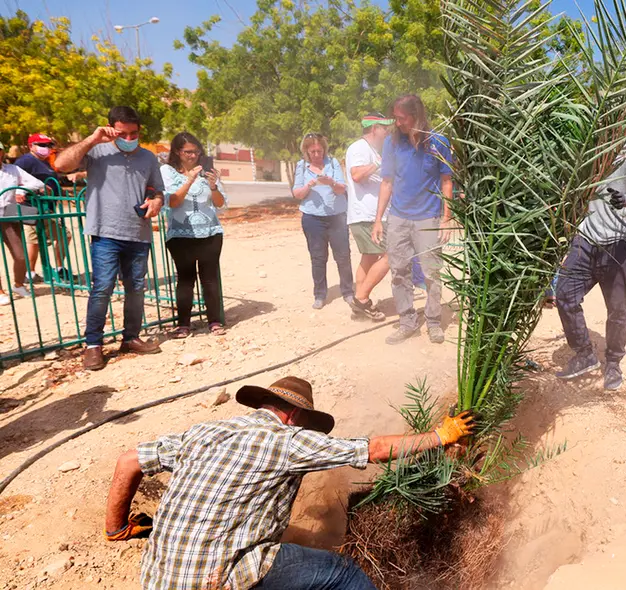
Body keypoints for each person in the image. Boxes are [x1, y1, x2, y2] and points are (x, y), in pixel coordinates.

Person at [103, 375, 476, 590]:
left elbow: (128, 462)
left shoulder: (205, 432)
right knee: (344, 574)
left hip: (158, 579)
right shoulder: (288, 439)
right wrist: (440, 437)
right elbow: (375, 449)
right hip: (214, 579)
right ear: (295, 414)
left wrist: (118, 528)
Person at [54, 106, 165, 371]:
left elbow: (159, 190)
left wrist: (157, 201)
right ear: (111, 129)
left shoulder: (149, 158)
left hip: (138, 233)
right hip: (105, 232)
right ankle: (93, 345)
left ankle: (131, 338)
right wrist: (92, 139)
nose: (129, 139)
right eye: (123, 133)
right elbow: (60, 165)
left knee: (136, 288)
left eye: (134, 133)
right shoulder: (96, 151)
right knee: (102, 287)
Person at [554, 140, 626, 391]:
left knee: (617, 310)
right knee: (564, 294)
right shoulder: (588, 142)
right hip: (585, 239)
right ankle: (584, 353)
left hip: (619, 242)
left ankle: (613, 362)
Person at [372, 94, 453, 345]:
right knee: (398, 271)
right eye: (395, 118)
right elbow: (387, 182)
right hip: (398, 218)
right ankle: (407, 321)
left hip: (428, 218)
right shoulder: (392, 144)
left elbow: (447, 181)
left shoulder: (438, 143)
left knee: (431, 273)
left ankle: (433, 322)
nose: (397, 123)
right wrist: (378, 220)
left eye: (401, 118)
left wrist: (446, 218)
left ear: (416, 116)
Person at [160, 132, 227, 338]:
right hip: (181, 234)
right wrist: (189, 180)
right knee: (186, 279)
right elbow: (173, 201)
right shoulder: (167, 172)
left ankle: (214, 321)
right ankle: (183, 324)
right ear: (177, 152)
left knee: (210, 278)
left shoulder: (207, 173)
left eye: (196, 152)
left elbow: (219, 203)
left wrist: (214, 186)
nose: (193, 156)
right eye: (188, 152)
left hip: (210, 232)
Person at [292, 133, 353, 310]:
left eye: (320, 151)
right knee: (318, 257)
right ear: (307, 151)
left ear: (324, 149)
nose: (317, 155)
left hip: (337, 216)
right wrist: (309, 185)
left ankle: (348, 291)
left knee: (343, 256)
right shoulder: (301, 166)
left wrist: (331, 182)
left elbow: (342, 189)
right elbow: (297, 194)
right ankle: (320, 294)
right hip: (312, 218)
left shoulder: (333, 164)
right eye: (313, 152)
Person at [345, 114, 393, 322]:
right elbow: (356, 174)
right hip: (366, 215)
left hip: (368, 215)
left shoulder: (371, 150)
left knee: (369, 258)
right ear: (375, 128)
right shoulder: (359, 148)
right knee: (392, 254)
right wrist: (380, 163)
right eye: (385, 128)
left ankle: (359, 305)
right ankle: (361, 299)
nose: (387, 131)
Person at [14, 133, 73, 283]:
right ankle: (30, 274)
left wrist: (61, 192)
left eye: (48, 145)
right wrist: (20, 192)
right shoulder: (25, 161)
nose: (46, 148)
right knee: (33, 240)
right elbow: (13, 180)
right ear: (31, 146)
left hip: (47, 209)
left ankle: (59, 269)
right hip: (31, 207)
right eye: (41, 145)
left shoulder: (46, 163)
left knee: (63, 235)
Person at [0, 141, 45, 304]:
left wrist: (20, 190)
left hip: (9, 215)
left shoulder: (12, 170)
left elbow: (37, 183)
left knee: (20, 255)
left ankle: (18, 284)